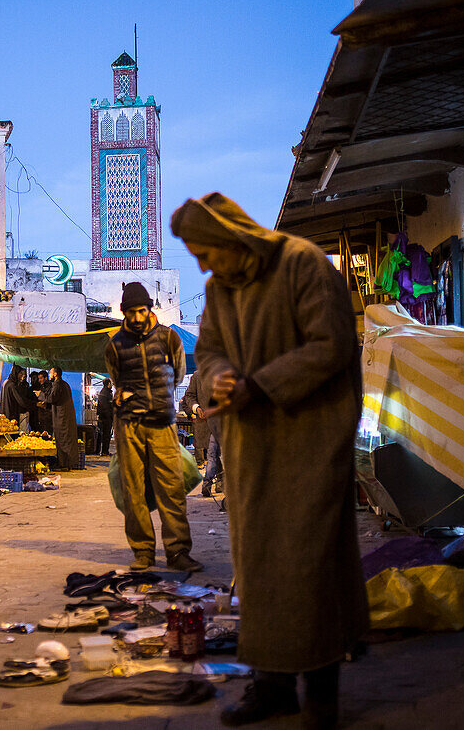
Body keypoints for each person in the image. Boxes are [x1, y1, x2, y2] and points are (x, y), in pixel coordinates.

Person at [175, 192, 367, 728]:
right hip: (250, 448)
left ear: (233, 239)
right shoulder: (218, 289)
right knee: (257, 567)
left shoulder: (302, 263)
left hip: (310, 441)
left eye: (206, 252)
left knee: (310, 564)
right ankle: (272, 684)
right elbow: (208, 351)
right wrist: (220, 377)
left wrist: (260, 384)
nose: (202, 265)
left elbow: (332, 345)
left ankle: (320, 690)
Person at [104, 282, 200, 574]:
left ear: (150, 309)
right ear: (124, 312)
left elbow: (179, 373)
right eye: (131, 312)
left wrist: (157, 398)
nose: (136, 317)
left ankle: (178, 552)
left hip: (162, 423)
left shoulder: (169, 338)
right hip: (129, 425)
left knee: (171, 488)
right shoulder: (115, 345)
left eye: (141, 311)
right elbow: (117, 380)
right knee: (133, 490)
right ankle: (143, 552)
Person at [180, 375, 223, 497]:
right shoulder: (197, 376)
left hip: (223, 422)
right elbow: (189, 396)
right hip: (205, 423)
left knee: (213, 453)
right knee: (213, 452)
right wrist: (196, 408)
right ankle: (219, 481)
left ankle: (208, 482)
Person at [43, 366, 79, 470]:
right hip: (66, 416)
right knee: (66, 440)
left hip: (62, 417)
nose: (49, 375)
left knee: (62, 440)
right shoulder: (65, 384)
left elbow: (52, 398)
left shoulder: (58, 384)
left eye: (50, 373)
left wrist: (40, 395)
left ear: (55, 374)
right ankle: (68, 463)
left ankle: (64, 464)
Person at [0, 365, 37, 433]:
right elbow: (21, 400)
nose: (21, 376)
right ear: (16, 373)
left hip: (4, 415)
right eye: (20, 374)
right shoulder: (12, 385)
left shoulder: (5, 382)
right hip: (11, 416)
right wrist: (35, 404)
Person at [96, 379, 114, 456]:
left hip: (104, 417)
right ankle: (104, 451)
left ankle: (104, 451)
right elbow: (107, 407)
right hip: (106, 418)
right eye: (111, 383)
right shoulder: (106, 393)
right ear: (108, 384)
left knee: (105, 435)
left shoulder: (103, 392)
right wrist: (111, 416)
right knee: (106, 435)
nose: (112, 385)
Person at [35, 370, 53, 435]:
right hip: (42, 414)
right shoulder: (41, 386)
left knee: (47, 432)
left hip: (48, 414)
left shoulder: (50, 386)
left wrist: (40, 394)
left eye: (41, 378)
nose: (39, 380)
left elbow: (49, 398)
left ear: (46, 378)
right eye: (38, 378)